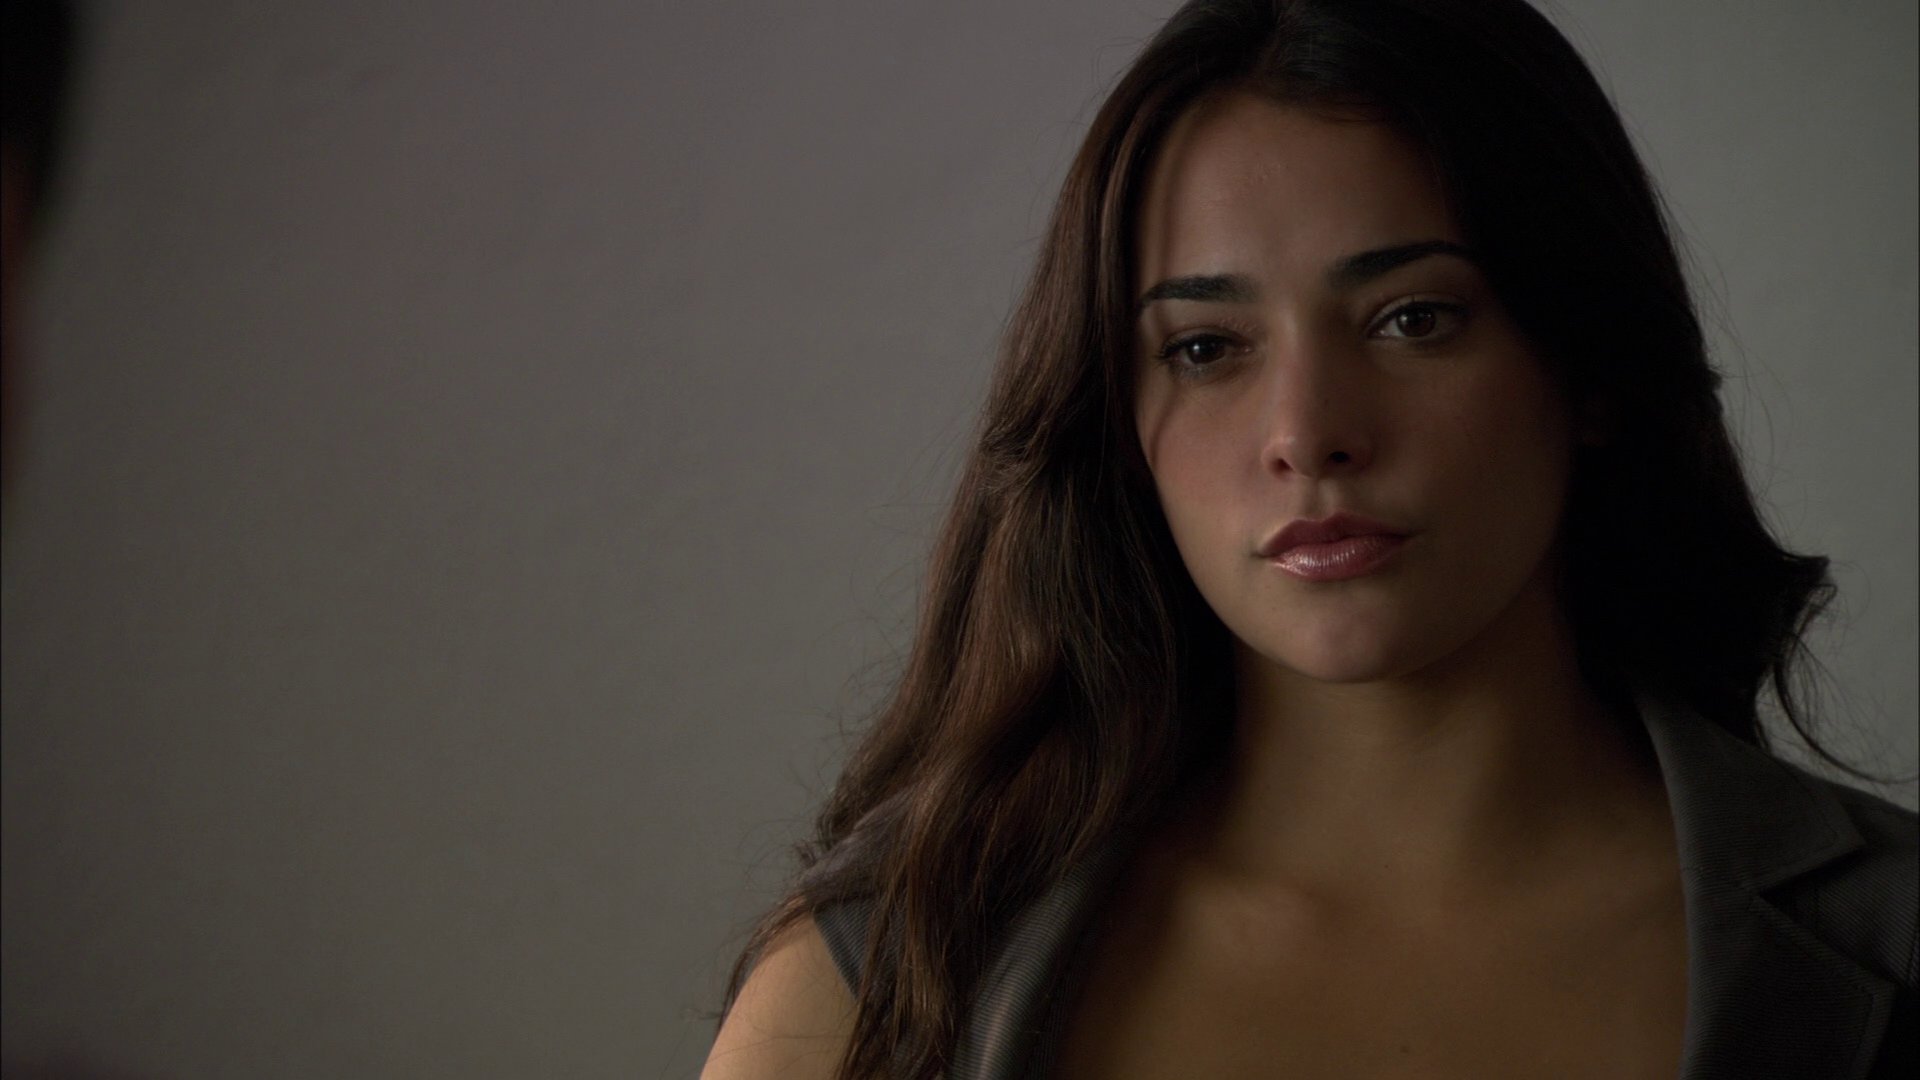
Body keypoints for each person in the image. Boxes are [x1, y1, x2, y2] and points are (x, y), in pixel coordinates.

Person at [700, 1, 1918, 1077]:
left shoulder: (1890, 942)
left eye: (1412, 319)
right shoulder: (883, 975)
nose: (1307, 433)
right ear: (1114, 418)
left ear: (1589, 362)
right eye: (1205, 348)